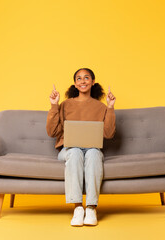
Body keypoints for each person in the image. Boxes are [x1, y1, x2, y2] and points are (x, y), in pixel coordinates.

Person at [46, 68, 116, 226]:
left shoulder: (100, 107)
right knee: (76, 152)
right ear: (75, 84)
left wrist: (110, 107)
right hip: (69, 150)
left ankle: (91, 208)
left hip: (92, 149)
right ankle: (78, 208)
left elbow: (109, 134)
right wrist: (54, 105)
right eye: (79, 78)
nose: (83, 81)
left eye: (86, 78)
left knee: (93, 153)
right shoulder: (65, 105)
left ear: (92, 82)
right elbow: (52, 132)